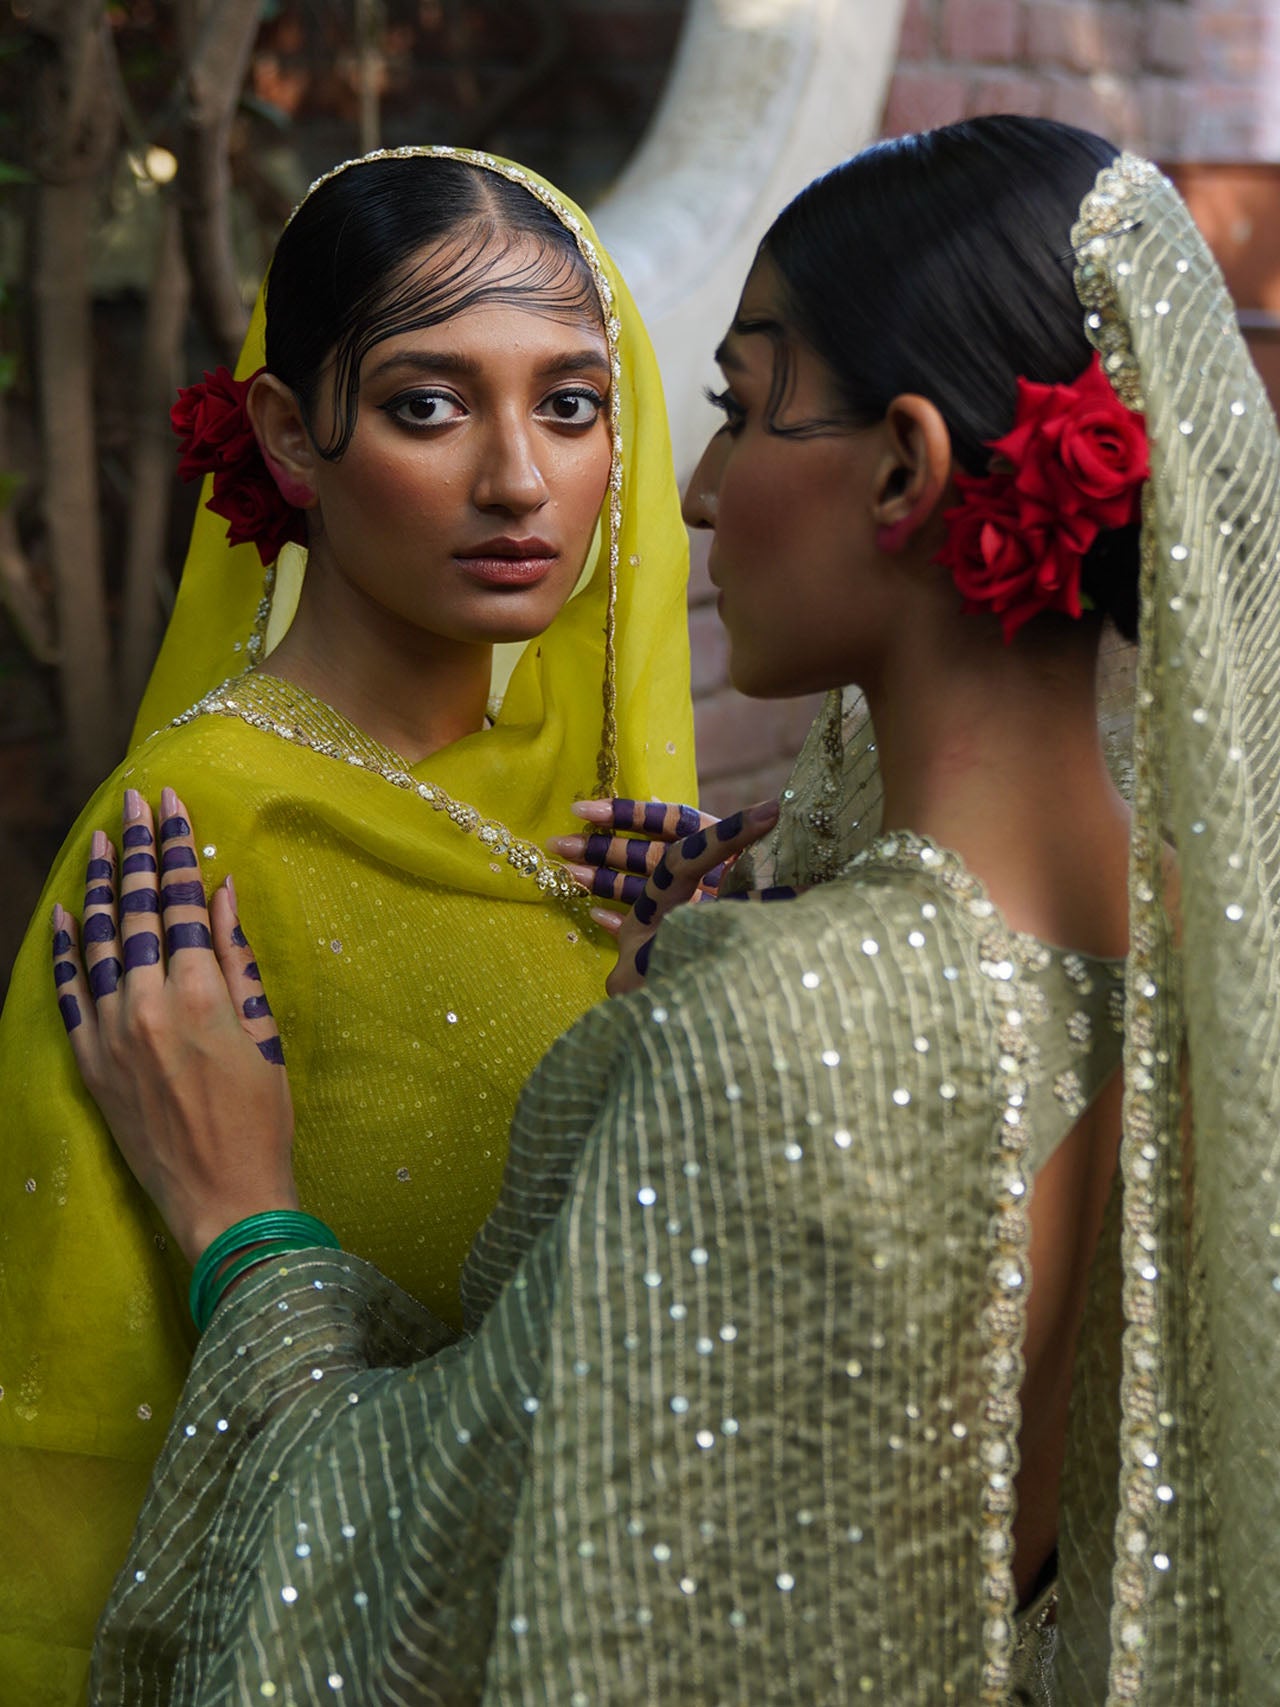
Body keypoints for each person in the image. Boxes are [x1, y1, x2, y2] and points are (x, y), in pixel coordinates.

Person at [55, 116, 1279, 1703]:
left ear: (905, 466)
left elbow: (425, 1593)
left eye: (743, 410)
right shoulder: (1210, 946)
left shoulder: (780, 1026)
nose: (691, 495)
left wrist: (245, 1226)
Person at [0, 147, 699, 1703]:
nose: (519, 478)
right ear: (287, 438)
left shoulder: (622, 847)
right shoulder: (192, 849)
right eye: (429, 406)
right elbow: (79, 1435)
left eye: (571, 406)